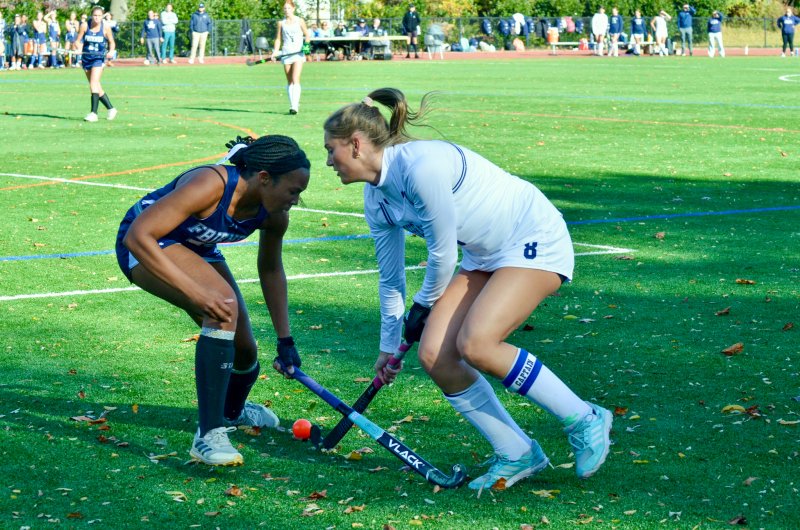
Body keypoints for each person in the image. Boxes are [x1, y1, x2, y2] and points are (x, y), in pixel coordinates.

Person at [317, 88, 613, 491]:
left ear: (355, 144)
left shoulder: (421, 167)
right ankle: (516, 451)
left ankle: (584, 418)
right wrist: (388, 346)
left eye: (330, 150)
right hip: (483, 253)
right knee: (435, 356)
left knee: (478, 344)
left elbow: (442, 254)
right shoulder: (376, 200)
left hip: (531, 235)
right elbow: (390, 278)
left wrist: (422, 306)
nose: (328, 161)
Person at [115, 135, 309, 467]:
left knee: (244, 350)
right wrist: (195, 294)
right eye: (293, 191)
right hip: (145, 243)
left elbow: (271, 269)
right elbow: (139, 235)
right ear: (264, 178)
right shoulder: (211, 184)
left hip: (196, 248)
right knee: (222, 306)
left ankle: (231, 412)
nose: (296, 200)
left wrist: (285, 339)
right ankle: (208, 435)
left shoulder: (274, 214)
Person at [75, 6, 117, 122]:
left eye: (99, 16)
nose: (97, 18)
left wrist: (111, 51)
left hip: (98, 59)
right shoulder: (85, 25)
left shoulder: (105, 27)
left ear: (102, 16)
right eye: (95, 15)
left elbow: (112, 42)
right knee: (96, 86)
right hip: (86, 59)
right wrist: (78, 48)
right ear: (91, 16)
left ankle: (94, 113)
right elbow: (78, 41)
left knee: (93, 84)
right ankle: (111, 108)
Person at [272, 1, 310, 115]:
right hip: (286, 52)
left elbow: (307, 35)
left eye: (288, 8)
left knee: (295, 78)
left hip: (298, 53)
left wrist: (306, 47)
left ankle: (294, 106)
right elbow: (278, 39)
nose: (286, 10)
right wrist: (275, 52)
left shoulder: (300, 20)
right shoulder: (281, 23)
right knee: (289, 81)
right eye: (285, 8)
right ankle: (292, 104)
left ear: (293, 9)